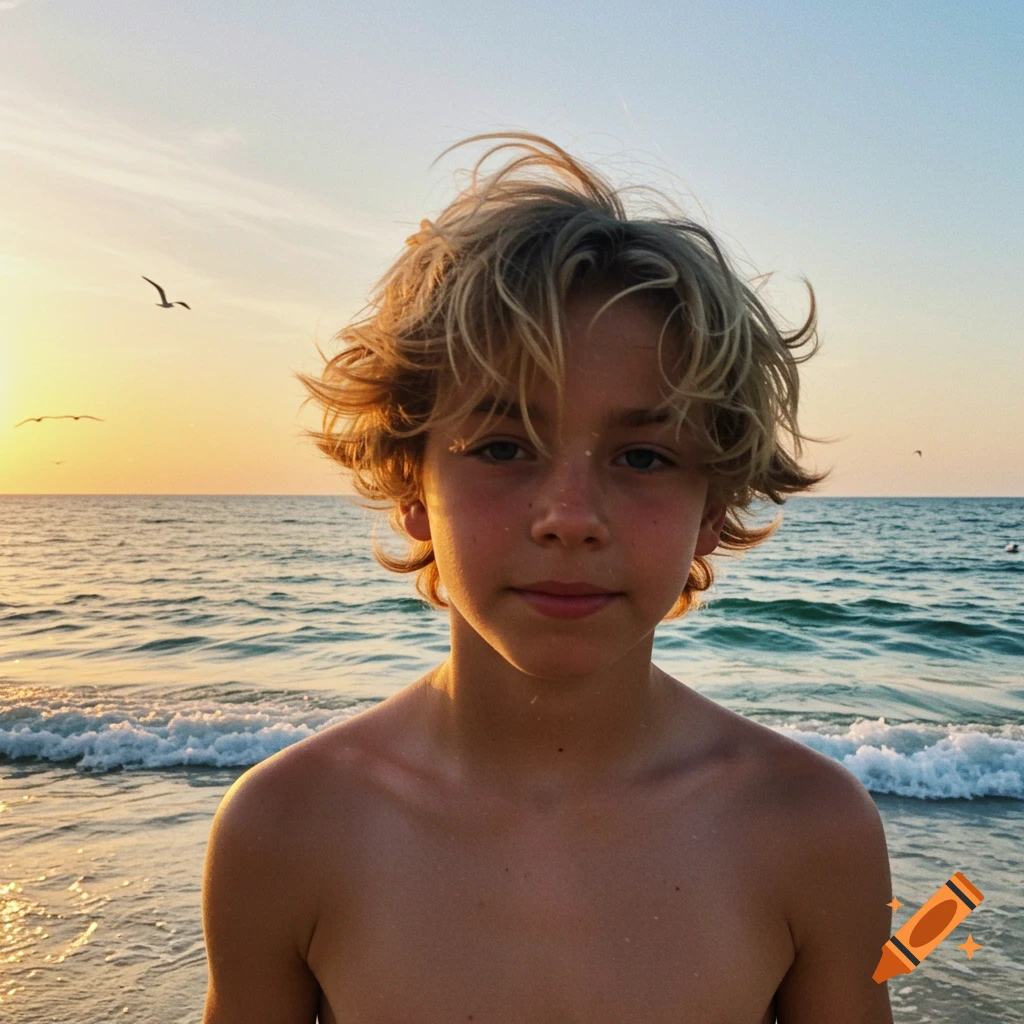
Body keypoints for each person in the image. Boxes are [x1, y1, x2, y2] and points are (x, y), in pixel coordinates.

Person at [201, 133, 894, 1023]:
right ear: (412, 485)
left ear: (713, 506)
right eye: (500, 447)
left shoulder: (812, 831)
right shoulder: (285, 831)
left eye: (644, 455)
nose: (569, 515)